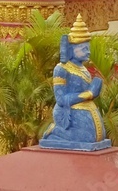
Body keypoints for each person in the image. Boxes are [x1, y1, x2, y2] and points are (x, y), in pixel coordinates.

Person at [41, 14, 109, 149]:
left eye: (88, 48)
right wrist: (89, 93)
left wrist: (96, 87)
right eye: (84, 48)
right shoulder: (61, 69)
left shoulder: (83, 68)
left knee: (99, 136)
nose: (88, 52)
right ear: (72, 49)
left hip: (87, 109)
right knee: (88, 138)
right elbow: (60, 99)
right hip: (70, 111)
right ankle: (55, 130)